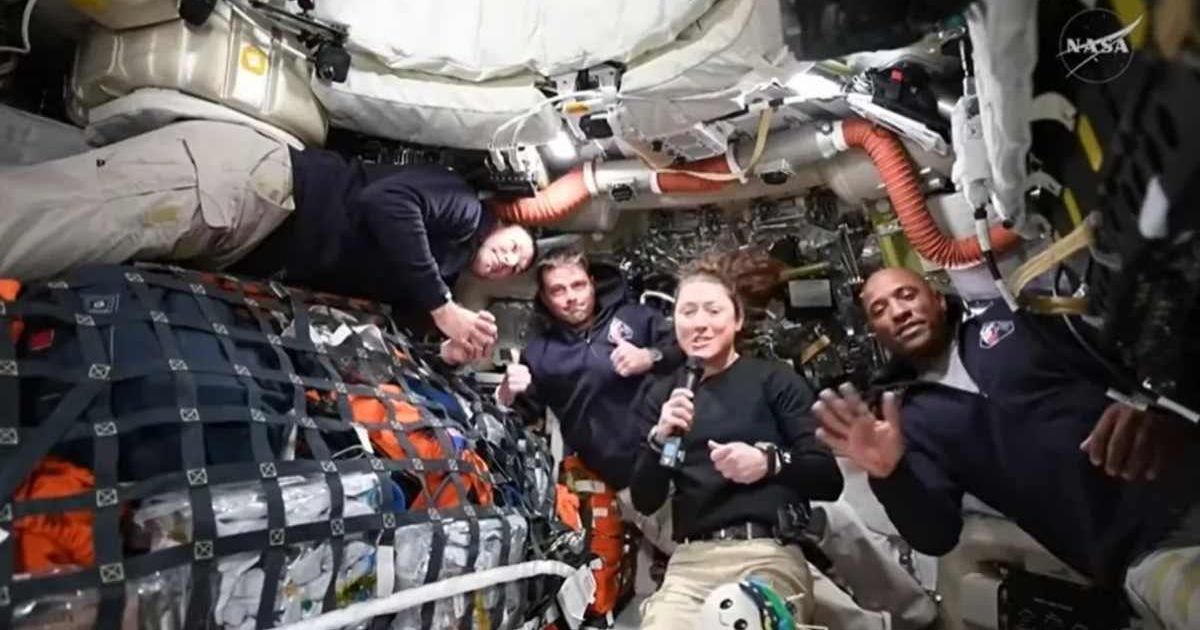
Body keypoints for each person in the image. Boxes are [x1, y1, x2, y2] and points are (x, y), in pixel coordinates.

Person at [813, 266, 1200, 630]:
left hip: (1184, 470)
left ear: (935, 296)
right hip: (1139, 551)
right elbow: (936, 536)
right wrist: (890, 474)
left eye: (906, 294)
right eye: (880, 310)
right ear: (875, 332)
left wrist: (1153, 404)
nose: (898, 312)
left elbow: (1128, 352)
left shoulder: (1013, 320)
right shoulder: (905, 420)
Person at [0, 120, 536, 353]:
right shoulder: (463, 208)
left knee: (70, 237)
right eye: (515, 245)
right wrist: (443, 306)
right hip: (250, 190)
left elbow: (389, 309)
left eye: (517, 269)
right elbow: (386, 204)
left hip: (249, 234)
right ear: (501, 220)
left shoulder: (440, 266)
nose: (510, 261)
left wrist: (444, 346)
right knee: (64, 220)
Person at [630, 257, 843, 629]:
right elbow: (646, 499)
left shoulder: (774, 380)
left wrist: (769, 462)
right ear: (674, 322)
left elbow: (828, 478)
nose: (699, 323)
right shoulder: (663, 396)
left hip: (766, 554)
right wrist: (659, 440)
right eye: (688, 312)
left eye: (712, 310)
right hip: (691, 562)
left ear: (737, 319)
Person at [495, 246, 684, 618]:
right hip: (629, 481)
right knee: (689, 551)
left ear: (592, 283)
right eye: (558, 290)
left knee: (724, 542)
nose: (571, 298)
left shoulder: (636, 317)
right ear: (545, 298)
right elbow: (521, 416)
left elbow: (686, 346)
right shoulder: (541, 352)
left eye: (578, 285)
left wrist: (650, 357)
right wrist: (506, 391)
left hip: (682, 456)